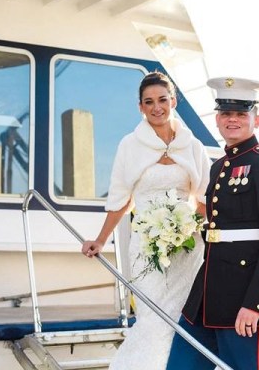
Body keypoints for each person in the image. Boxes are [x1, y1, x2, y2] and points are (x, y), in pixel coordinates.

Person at [81, 70, 210, 370]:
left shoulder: (194, 147)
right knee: (153, 317)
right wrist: (100, 240)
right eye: (149, 102)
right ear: (140, 107)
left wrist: (199, 235)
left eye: (163, 100)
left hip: (187, 248)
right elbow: (120, 199)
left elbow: (203, 200)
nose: (157, 107)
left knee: (180, 316)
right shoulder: (129, 145)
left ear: (173, 101)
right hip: (145, 246)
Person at [166, 77, 259, 370]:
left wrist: (256, 304)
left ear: (256, 119)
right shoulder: (219, 167)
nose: (233, 119)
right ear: (218, 119)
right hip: (206, 297)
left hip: (245, 301)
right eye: (226, 113)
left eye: (241, 113)